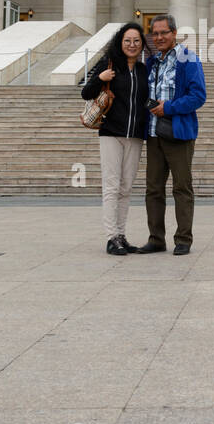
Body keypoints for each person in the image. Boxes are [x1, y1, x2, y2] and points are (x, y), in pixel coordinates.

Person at [137, 14, 207, 256]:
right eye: (155, 33)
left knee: (181, 188)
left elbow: (198, 96)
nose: (159, 37)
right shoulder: (152, 61)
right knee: (153, 189)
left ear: (174, 33)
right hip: (154, 133)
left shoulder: (189, 59)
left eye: (163, 33)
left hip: (178, 134)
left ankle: (183, 239)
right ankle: (156, 238)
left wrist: (168, 107)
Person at [80, 23, 150, 255]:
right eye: (128, 40)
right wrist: (100, 78)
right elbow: (86, 93)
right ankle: (111, 237)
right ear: (120, 42)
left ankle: (121, 234)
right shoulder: (109, 65)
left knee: (126, 187)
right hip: (111, 133)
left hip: (135, 135)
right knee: (112, 186)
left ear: (142, 44)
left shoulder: (143, 70)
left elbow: (144, 100)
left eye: (136, 41)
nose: (132, 45)